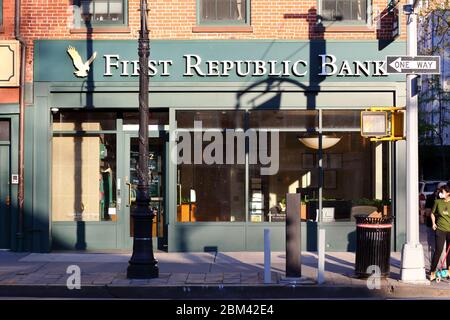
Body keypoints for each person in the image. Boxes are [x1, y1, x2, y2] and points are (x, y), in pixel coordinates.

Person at [429, 185, 450, 281]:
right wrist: (433, 223)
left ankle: (449, 271)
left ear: (448, 193)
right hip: (440, 229)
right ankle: (432, 272)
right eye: (440, 191)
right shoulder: (438, 202)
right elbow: (432, 213)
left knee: (449, 252)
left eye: (443, 192)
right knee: (438, 250)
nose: (441, 193)